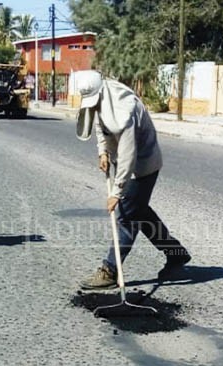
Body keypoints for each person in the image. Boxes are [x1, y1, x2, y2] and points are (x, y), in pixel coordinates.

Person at [75, 70, 191, 289]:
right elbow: (100, 122)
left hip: (143, 165)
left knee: (127, 216)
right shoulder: (103, 92)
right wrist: (103, 151)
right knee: (140, 211)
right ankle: (176, 253)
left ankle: (110, 270)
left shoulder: (123, 111)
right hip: (128, 162)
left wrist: (116, 193)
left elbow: (128, 157)